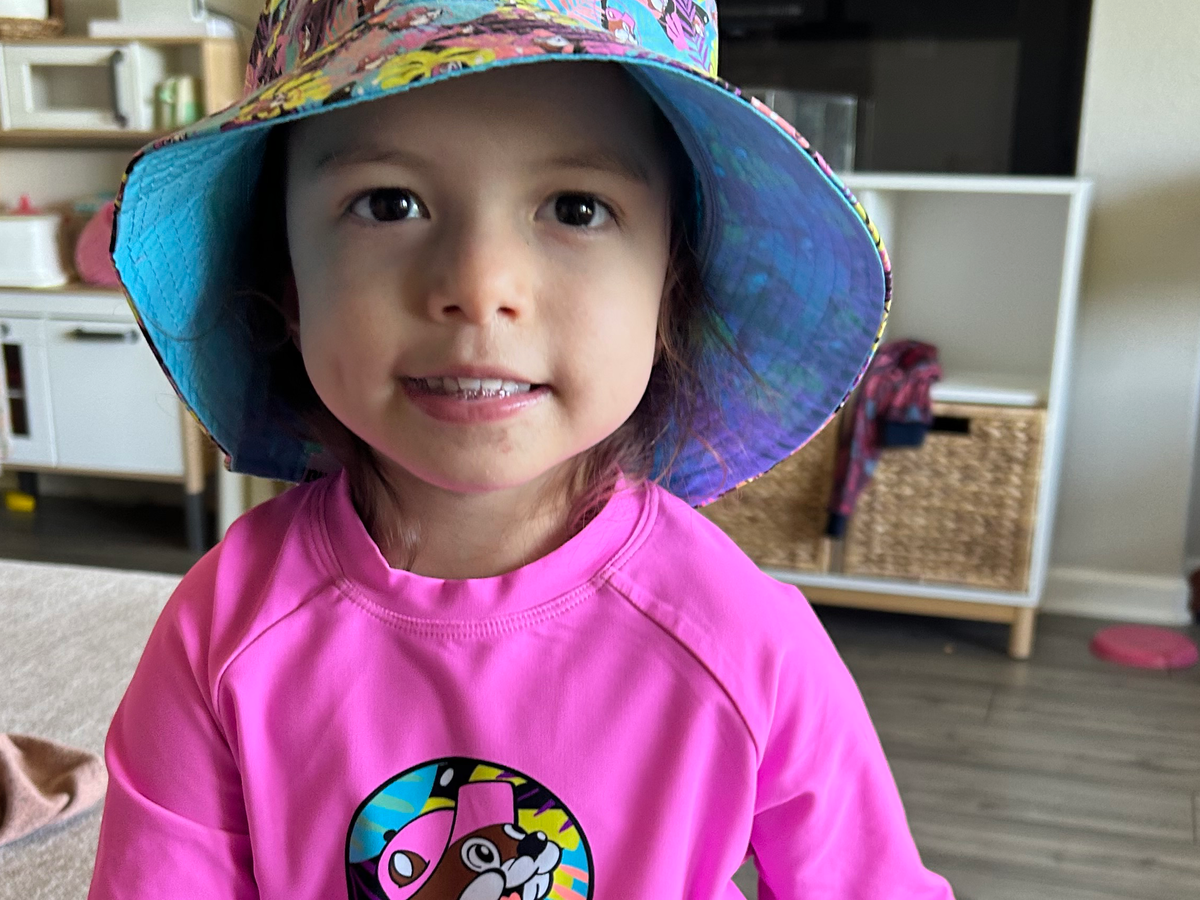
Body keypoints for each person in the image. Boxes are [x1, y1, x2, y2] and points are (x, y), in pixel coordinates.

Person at [88, 1, 955, 898]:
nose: (480, 285)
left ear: (669, 289)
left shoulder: (742, 642)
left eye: (577, 208)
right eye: (389, 203)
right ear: (289, 284)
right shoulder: (222, 633)